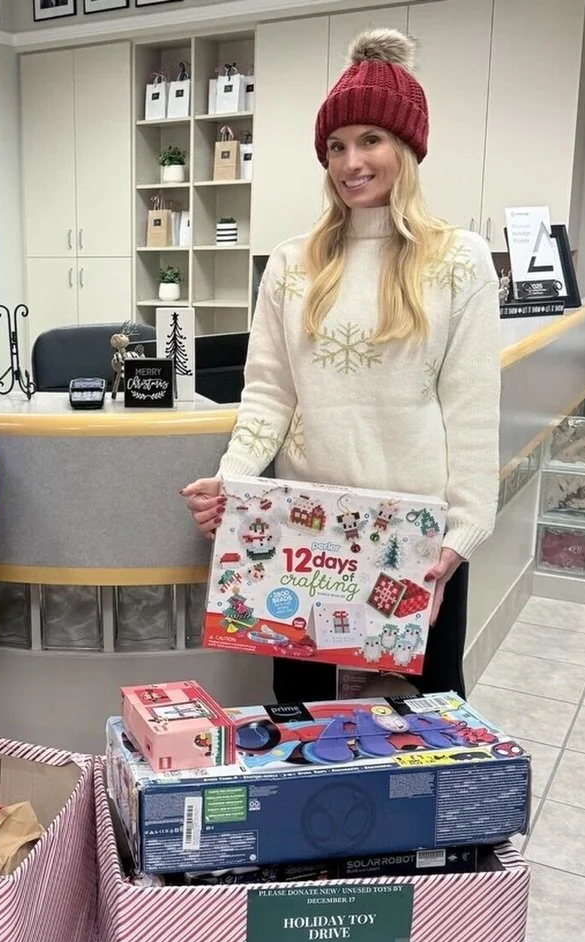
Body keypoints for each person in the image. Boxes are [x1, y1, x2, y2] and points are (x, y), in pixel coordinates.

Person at [183, 29, 499, 703]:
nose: (350, 162)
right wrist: (232, 482)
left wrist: (460, 537)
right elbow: (268, 397)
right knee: (302, 726)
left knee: (417, 731)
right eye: (335, 146)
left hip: (413, 543)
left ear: (406, 147)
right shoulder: (292, 265)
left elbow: (471, 411)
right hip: (306, 538)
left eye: (369, 140)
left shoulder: (459, 260)